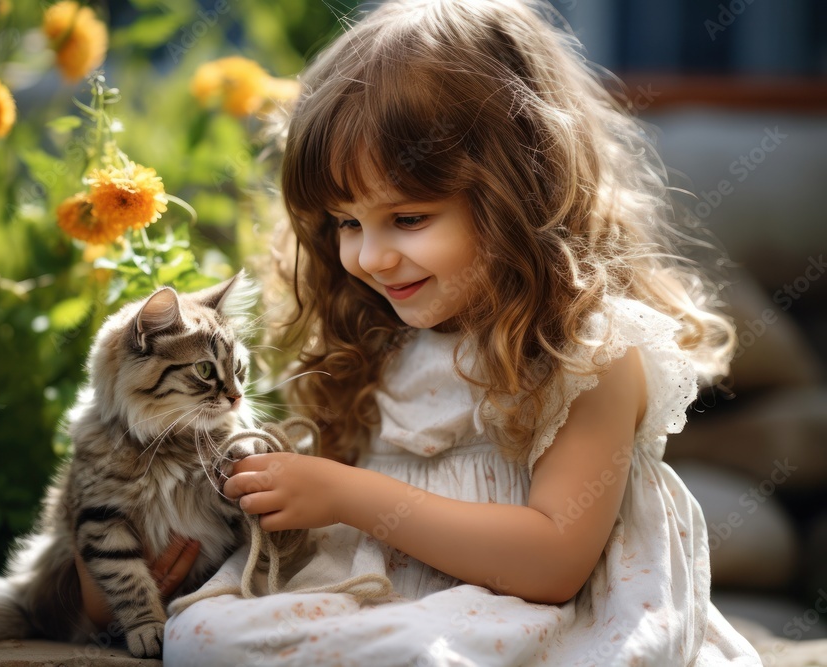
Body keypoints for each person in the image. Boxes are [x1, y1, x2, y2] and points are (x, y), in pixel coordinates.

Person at [84, 0, 764, 664]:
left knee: (421, 651)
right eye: (347, 223)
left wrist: (348, 495)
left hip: (545, 610)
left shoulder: (589, 352)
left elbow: (553, 560)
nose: (370, 257)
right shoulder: (379, 334)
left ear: (514, 195)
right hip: (388, 594)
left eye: (407, 219)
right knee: (203, 635)